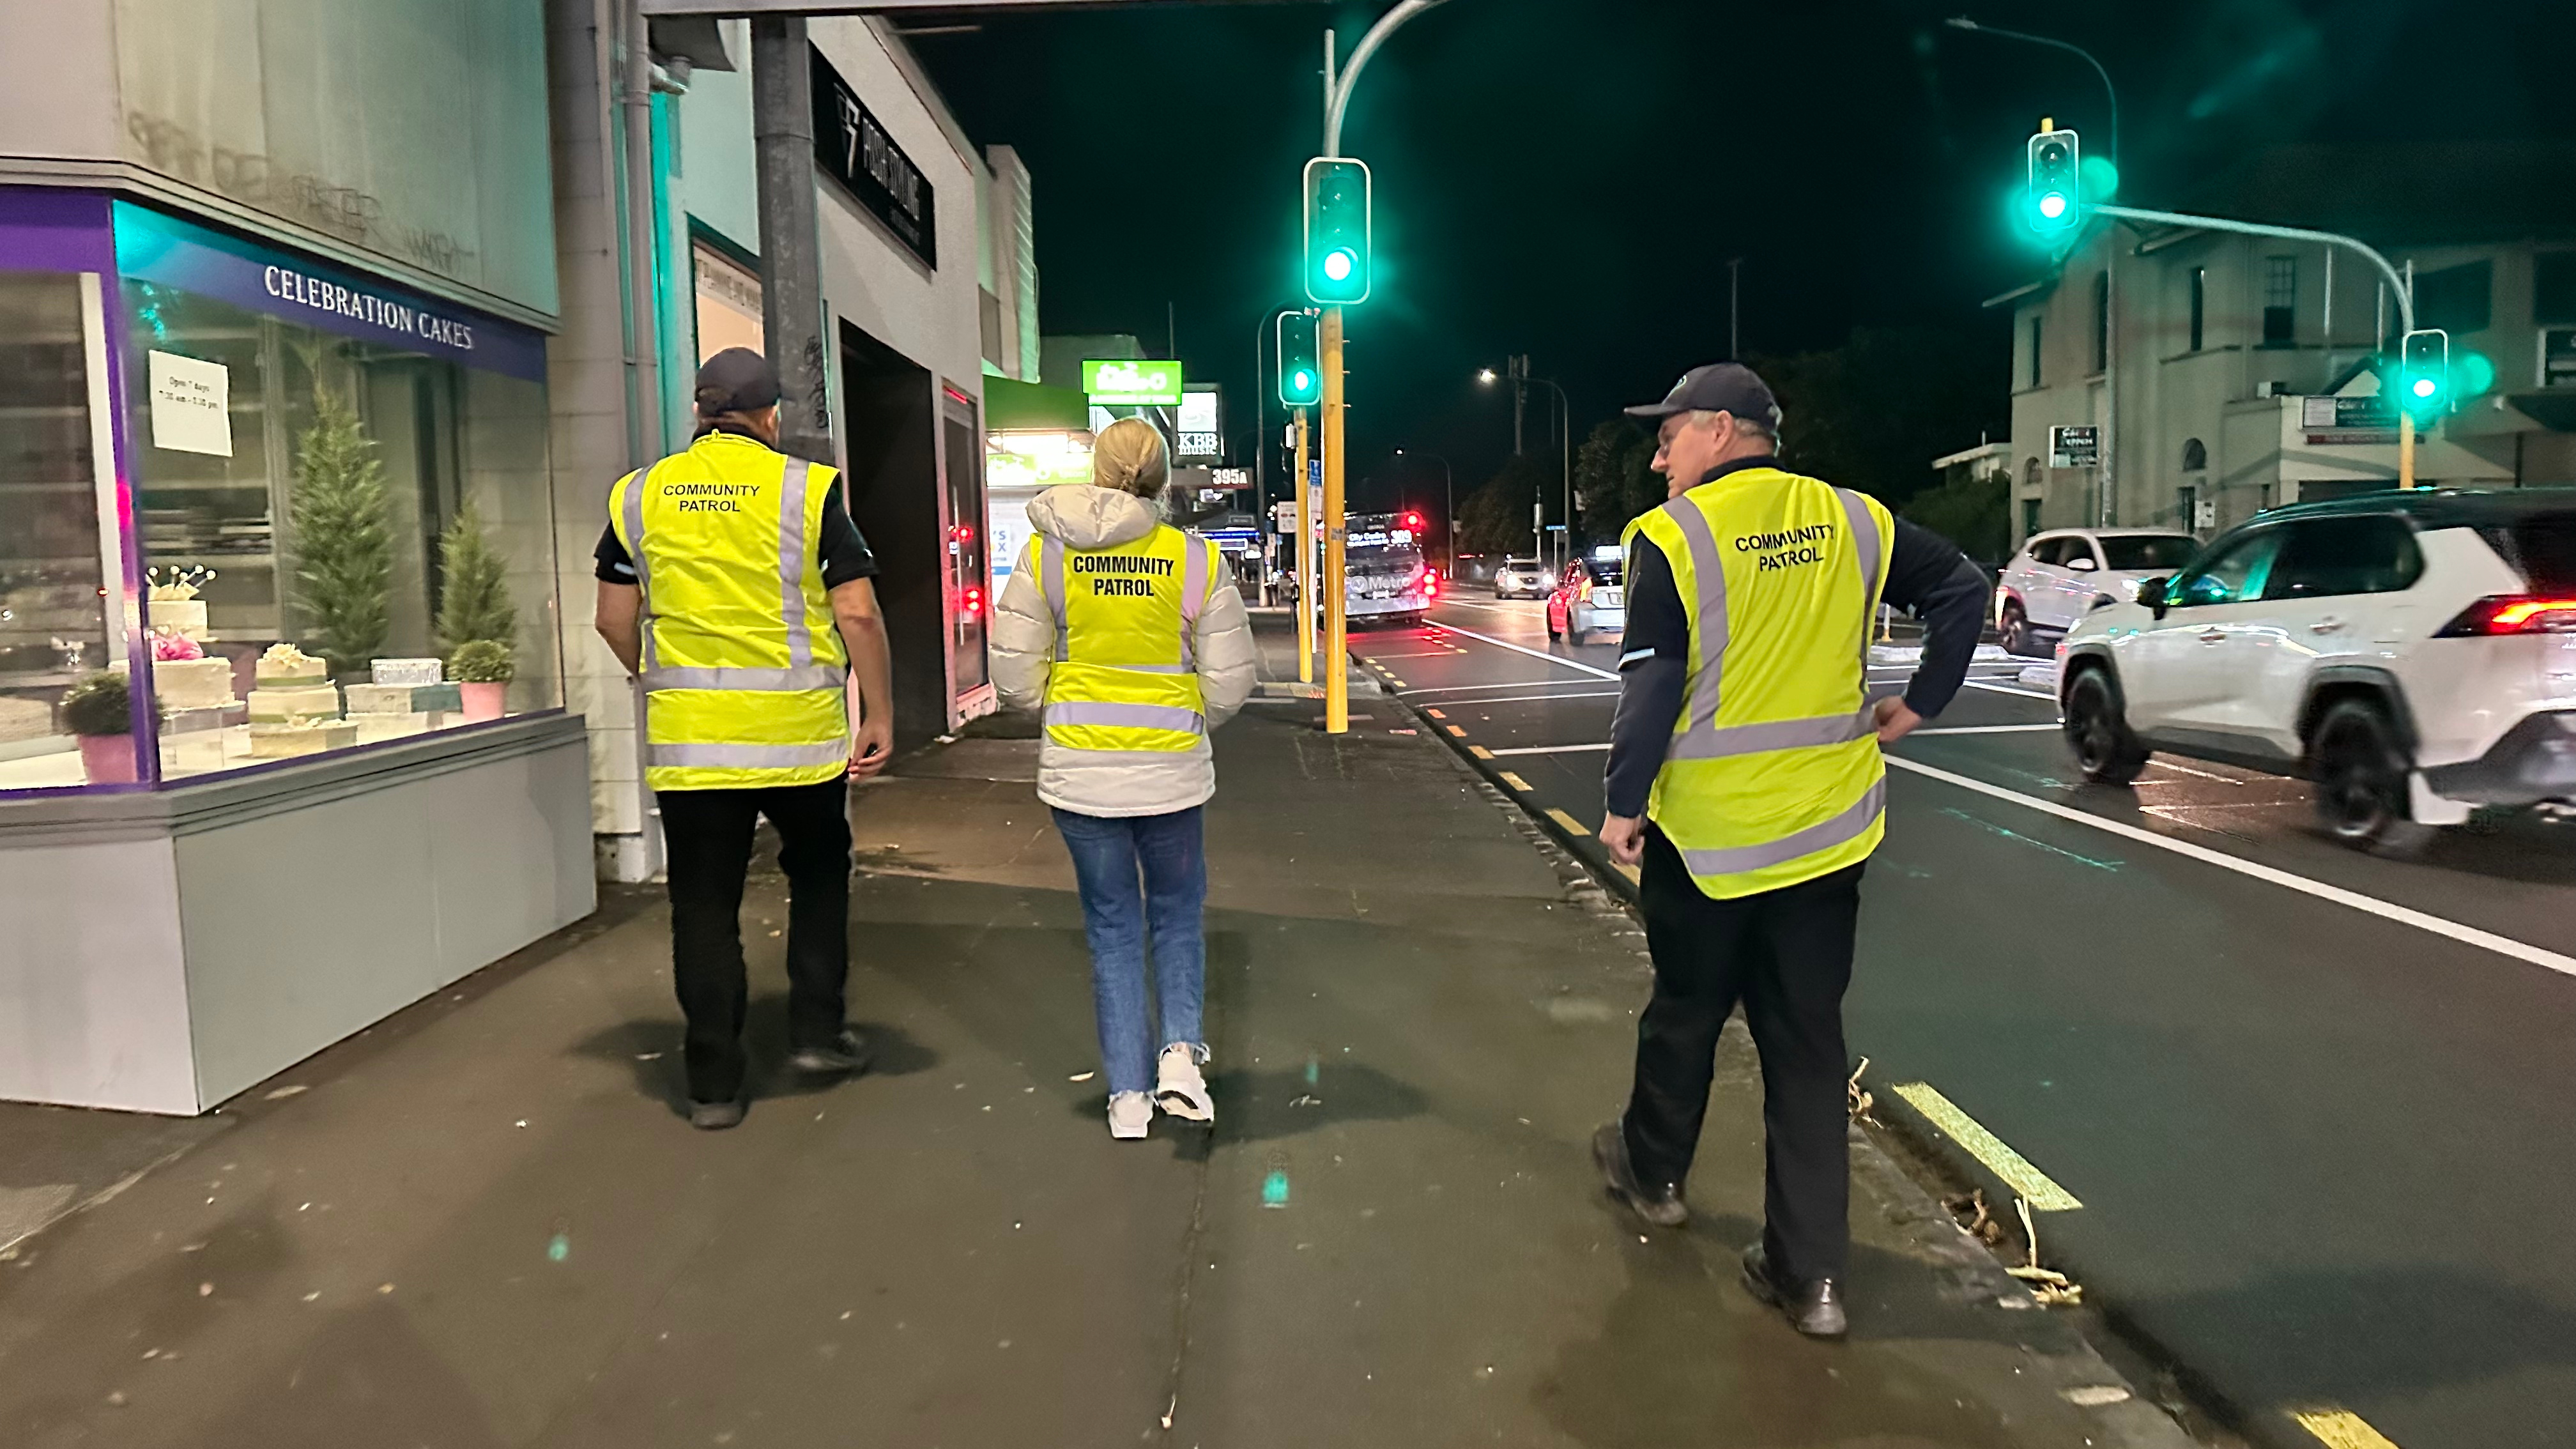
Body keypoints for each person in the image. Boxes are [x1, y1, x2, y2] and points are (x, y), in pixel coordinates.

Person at [1590, 363, 1986, 1338]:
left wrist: (1622, 805)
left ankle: (1655, 1175)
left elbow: (1652, 685)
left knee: (1686, 1014)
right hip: (1826, 837)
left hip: (1712, 841)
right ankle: (1813, 1280)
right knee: (1807, 1046)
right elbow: (1963, 590)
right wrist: (1922, 702)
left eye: (1671, 433)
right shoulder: (1857, 520)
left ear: (1722, 431)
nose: (1659, 454)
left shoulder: (1673, 538)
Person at [594, 348, 897, 1131]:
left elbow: (612, 619)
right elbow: (857, 613)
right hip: (800, 743)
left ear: (701, 412)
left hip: (694, 749)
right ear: (770, 417)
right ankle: (816, 1036)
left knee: (703, 906)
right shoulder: (807, 490)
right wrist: (879, 714)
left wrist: (659, 680)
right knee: (820, 880)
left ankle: (714, 1087)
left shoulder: (639, 495)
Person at [990, 418, 1256, 1140]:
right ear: (1164, 479)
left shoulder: (1047, 557)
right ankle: (1180, 1061)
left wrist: (1062, 707)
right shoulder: (1194, 560)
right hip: (1172, 775)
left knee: (1111, 928)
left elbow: (1013, 678)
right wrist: (1185, 715)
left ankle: (1129, 1099)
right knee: (1175, 914)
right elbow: (1230, 686)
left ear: (1097, 470)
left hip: (1081, 775)